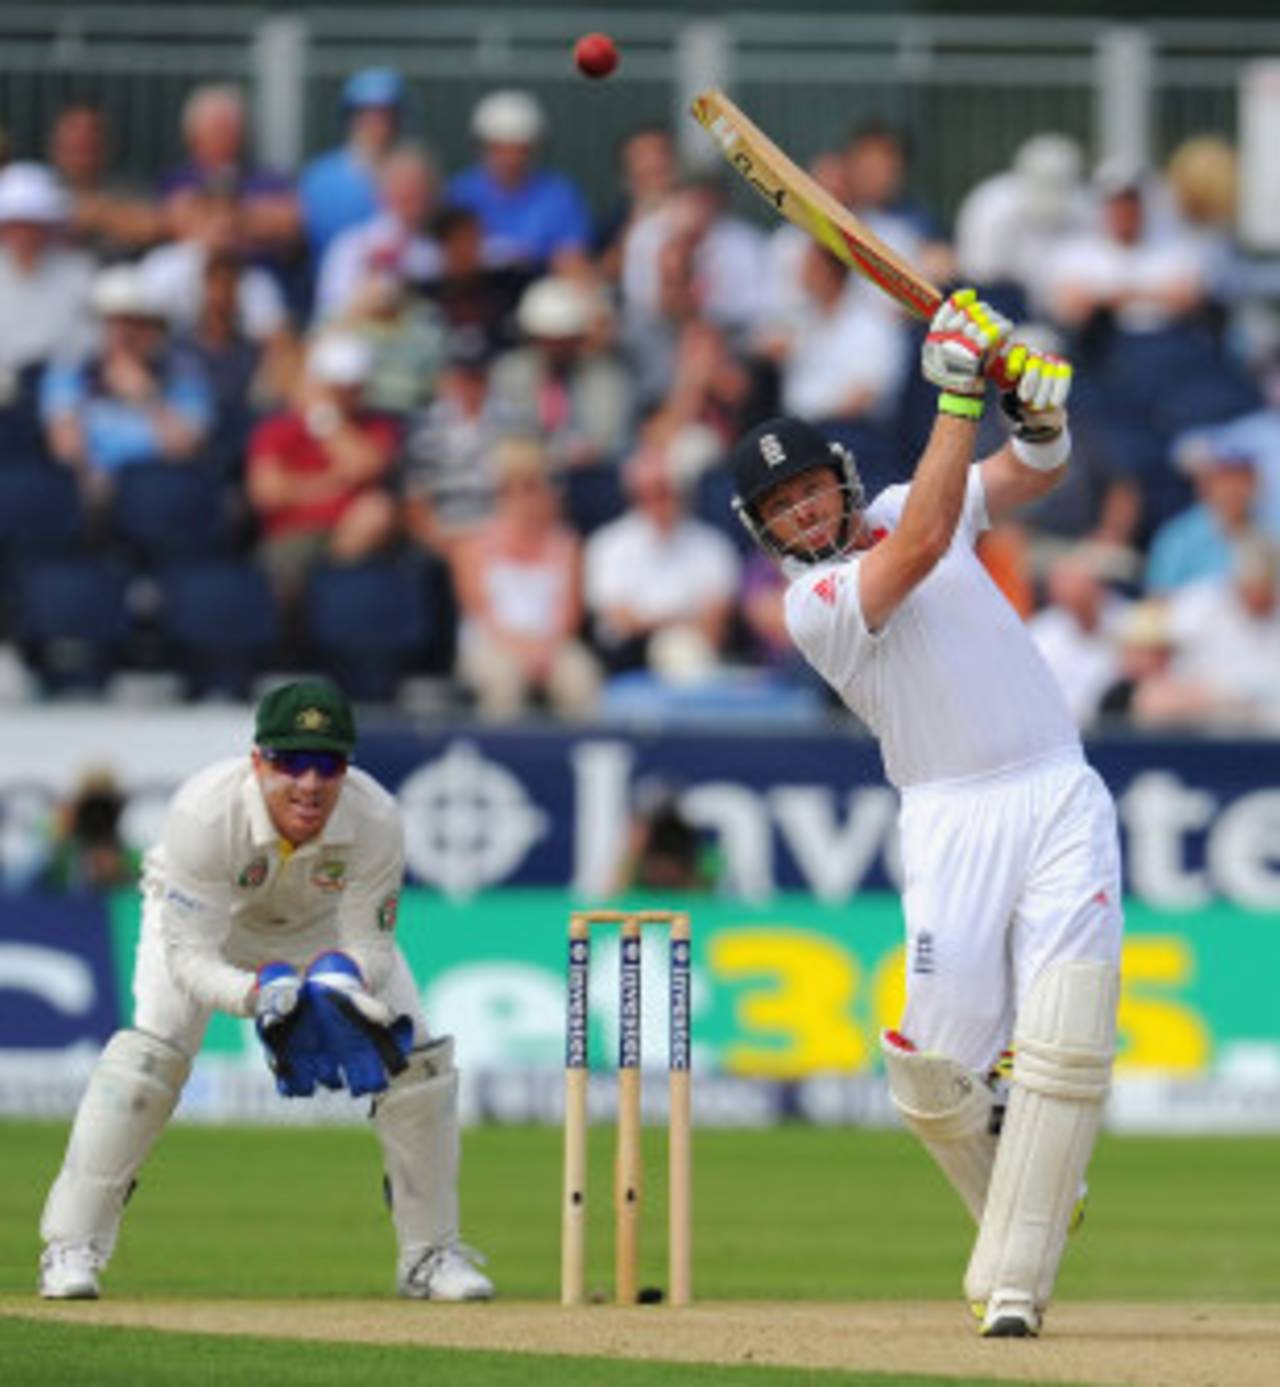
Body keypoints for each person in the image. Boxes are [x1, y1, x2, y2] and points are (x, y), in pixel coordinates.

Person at [726, 290, 1119, 1339]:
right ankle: (1027, 1195)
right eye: (782, 511)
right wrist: (956, 395)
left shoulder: (904, 497)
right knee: (929, 1071)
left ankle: (1013, 1284)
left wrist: (1034, 419)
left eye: (810, 492)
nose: (805, 517)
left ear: (840, 479)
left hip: (1052, 786)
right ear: (765, 532)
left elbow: (1028, 477)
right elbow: (929, 535)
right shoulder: (812, 607)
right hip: (947, 818)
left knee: (1062, 1034)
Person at [38, 678, 493, 1304]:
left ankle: (430, 1256)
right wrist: (262, 995)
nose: (310, 784)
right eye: (292, 763)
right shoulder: (204, 813)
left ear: (347, 769)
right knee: (152, 1055)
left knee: (419, 1064)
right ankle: (71, 1246)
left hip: (320, 926)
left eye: (328, 764)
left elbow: (374, 947)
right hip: (210, 926)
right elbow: (192, 959)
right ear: (259, 762)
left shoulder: (376, 817)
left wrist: (341, 976)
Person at [299, 67, 406, 261]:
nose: (377, 124)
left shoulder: (412, 176)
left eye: (385, 114)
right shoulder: (320, 178)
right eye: (366, 113)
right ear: (350, 118)